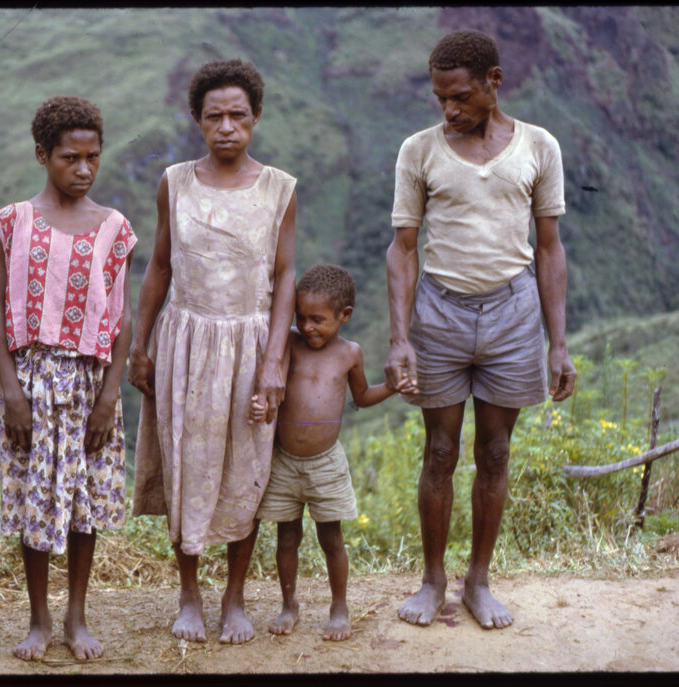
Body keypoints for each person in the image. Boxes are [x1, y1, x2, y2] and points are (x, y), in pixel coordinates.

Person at [385, 30, 577, 630]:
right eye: (441, 97)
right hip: (440, 312)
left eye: (462, 96)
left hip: (513, 315)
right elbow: (402, 251)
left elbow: (549, 250)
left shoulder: (538, 147)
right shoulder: (419, 150)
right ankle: (432, 581)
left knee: (495, 451)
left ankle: (479, 581)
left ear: (494, 81)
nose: (450, 109)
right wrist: (400, 337)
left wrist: (558, 342)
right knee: (439, 450)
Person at [129, 58, 297, 644]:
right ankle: (190, 595)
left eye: (238, 115)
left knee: (245, 467)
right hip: (187, 340)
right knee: (187, 466)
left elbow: (284, 279)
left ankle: (235, 599)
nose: (227, 127)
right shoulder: (174, 181)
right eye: (214, 116)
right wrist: (140, 345)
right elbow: (158, 266)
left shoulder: (279, 188)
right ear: (198, 119)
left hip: (249, 344)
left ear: (256, 118)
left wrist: (274, 363)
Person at [0, 96, 137, 661]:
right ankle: (38, 620)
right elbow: (0, 310)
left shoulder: (114, 229)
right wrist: (10, 391)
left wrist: (108, 398)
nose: (82, 169)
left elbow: (121, 321)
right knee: (36, 498)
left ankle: (77, 617)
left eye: (92, 158)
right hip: (30, 382)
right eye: (69, 157)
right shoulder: (13, 221)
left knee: (82, 502)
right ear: (42, 155)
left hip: (89, 383)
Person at [249, 264, 411, 641]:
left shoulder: (350, 354)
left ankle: (339, 607)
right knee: (287, 537)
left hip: (326, 464)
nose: (308, 327)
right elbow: (274, 394)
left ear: (345, 316)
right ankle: (289, 605)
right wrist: (264, 409)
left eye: (317, 320)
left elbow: (363, 398)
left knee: (331, 538)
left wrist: (392, 387)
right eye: (301, 318)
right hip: (284, 461)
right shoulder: (288, 343)